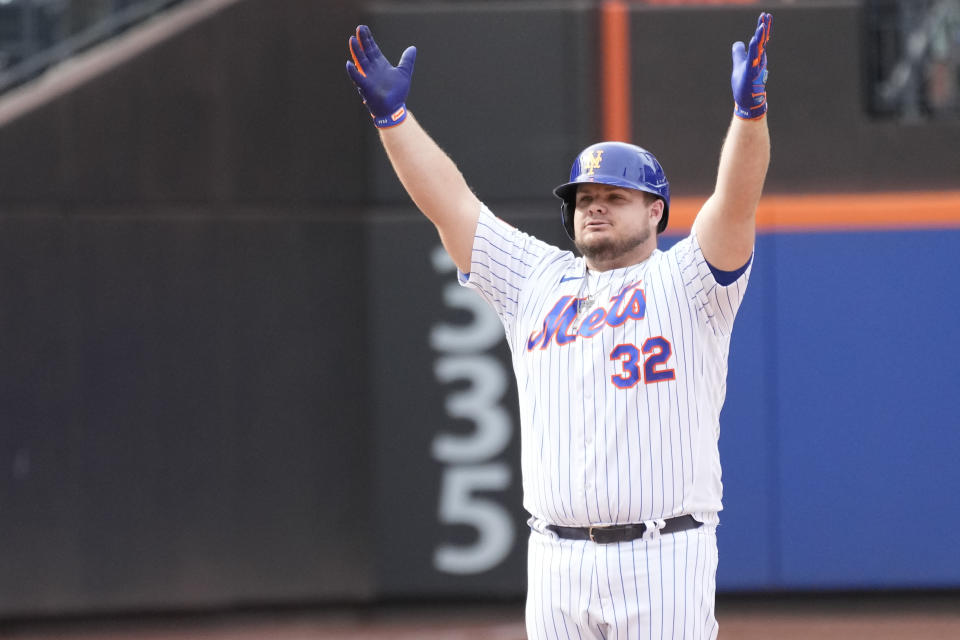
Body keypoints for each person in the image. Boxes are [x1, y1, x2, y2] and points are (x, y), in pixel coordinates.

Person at [347, 11, 771, 639]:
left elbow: (735, 200)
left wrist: (749, 117)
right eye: (583, 198)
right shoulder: (536, 280)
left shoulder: (687, 281)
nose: (593, 205)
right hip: (555, 559)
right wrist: (393, 121)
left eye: (613, 196)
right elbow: (450, 203)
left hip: (662, 555)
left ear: (656, 211)